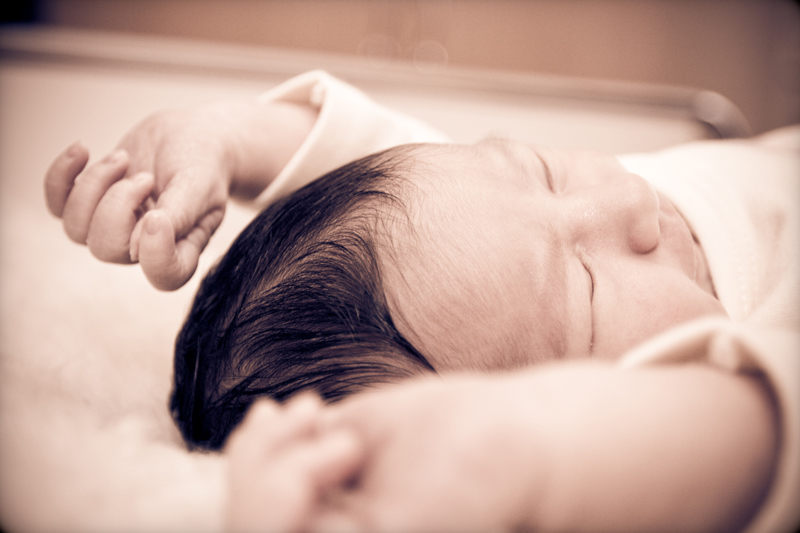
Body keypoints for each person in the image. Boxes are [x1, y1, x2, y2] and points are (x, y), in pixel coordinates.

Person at [44, 71, 799, 532]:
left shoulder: (557, 224)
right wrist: (529, 459)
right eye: (586, 289)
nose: (628, 196)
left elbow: (439, 195)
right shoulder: (736, 377)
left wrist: (231, 136)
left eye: (544, 169)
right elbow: (747, 429)